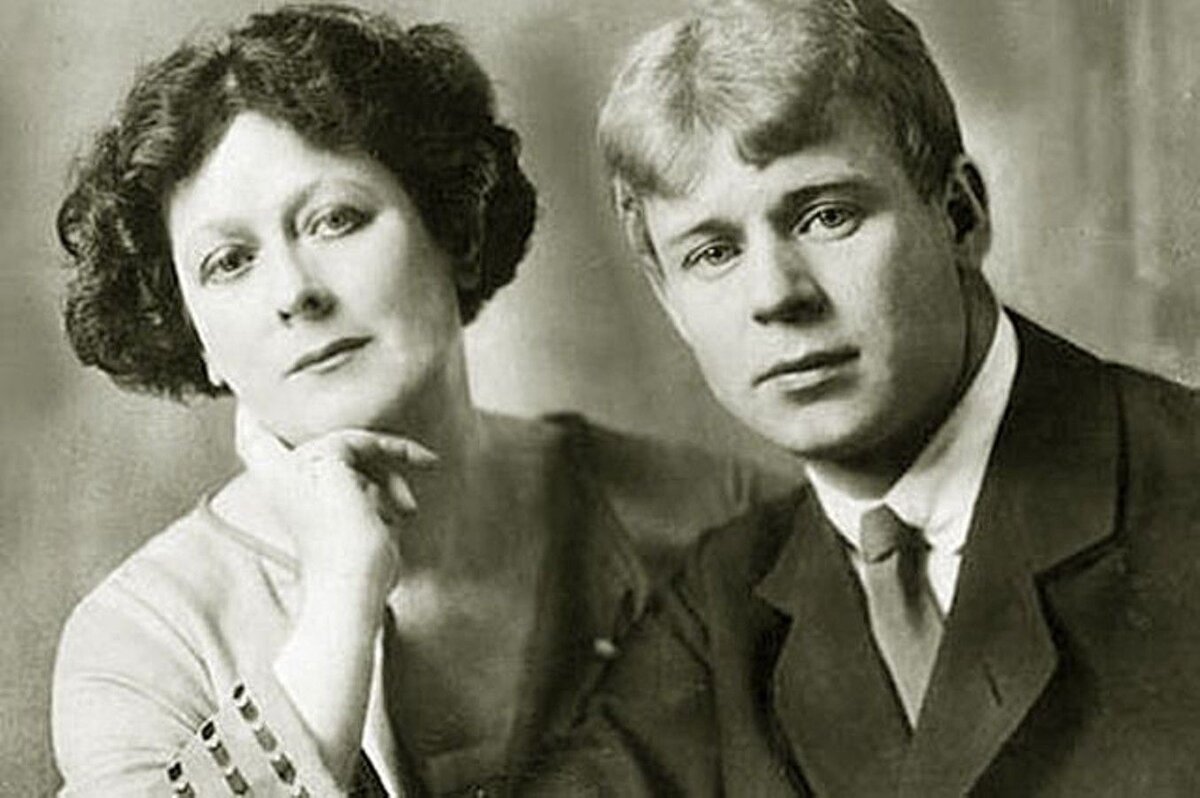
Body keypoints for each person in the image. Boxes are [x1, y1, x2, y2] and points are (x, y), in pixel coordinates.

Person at [49, 5, 790, 796]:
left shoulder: (711, 516)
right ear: (195, 334)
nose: (295, 292)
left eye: (335, 220)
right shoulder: (143, 641)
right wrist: (341, 593)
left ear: (454, 232)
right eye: (229, 262)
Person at [521, 0, 1200, 794]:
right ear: (669, 299)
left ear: (960, 215)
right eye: (713, 253)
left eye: (826, 216)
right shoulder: (721, 606)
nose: (776, 295)